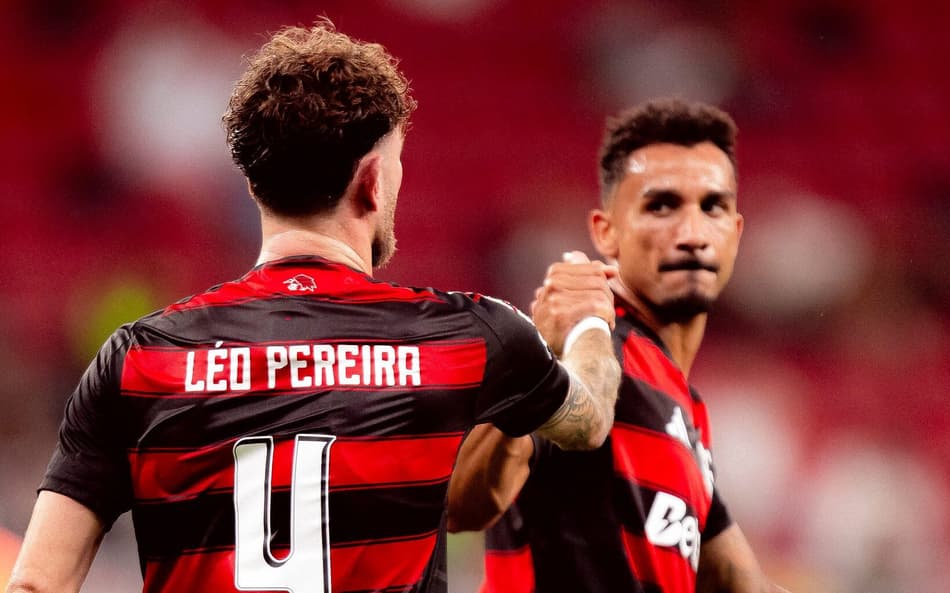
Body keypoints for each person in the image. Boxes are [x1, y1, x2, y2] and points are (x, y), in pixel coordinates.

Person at [5, 21, 622, 593]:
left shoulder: (140, 359)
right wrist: (588, 320)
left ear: (252, 182)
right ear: (374, 180)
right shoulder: (469, 336)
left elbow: (37, 583)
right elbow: (587, 421)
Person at [448, 98, 788, 593]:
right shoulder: (588, 351)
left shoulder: (685, 407)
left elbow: (739, 583)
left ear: (735, 234)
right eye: (662, 205)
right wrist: (538, 356)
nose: (692, 233)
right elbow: (462, 503)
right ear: (605, 234)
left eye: (712, 206)